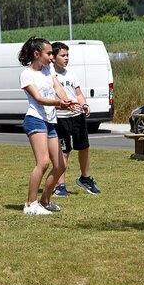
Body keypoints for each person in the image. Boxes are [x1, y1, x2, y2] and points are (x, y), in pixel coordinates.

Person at [18, 36, 79, 215]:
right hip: (35, 119)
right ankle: (30, 204)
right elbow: (38, 98)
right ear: (37, 54)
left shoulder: (48, 69)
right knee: (43, 162)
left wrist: (67, 100)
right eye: (49, 53)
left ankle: (45, 201)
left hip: (50, 121)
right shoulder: (26, 75)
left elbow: (58, 88)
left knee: (60, 165)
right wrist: (59, 104)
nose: (52, 57)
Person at [50, 42, 101, 197]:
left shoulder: (71, 74)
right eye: (62, 55)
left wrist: (84, 104)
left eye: (67, 55)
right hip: (60, 118)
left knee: (84, 147)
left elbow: (78, 93)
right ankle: (60, 186)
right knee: (64, 152)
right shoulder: (49, 75)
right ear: (53, 57)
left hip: (77, 116)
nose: (66, 58)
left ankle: (85, 179)